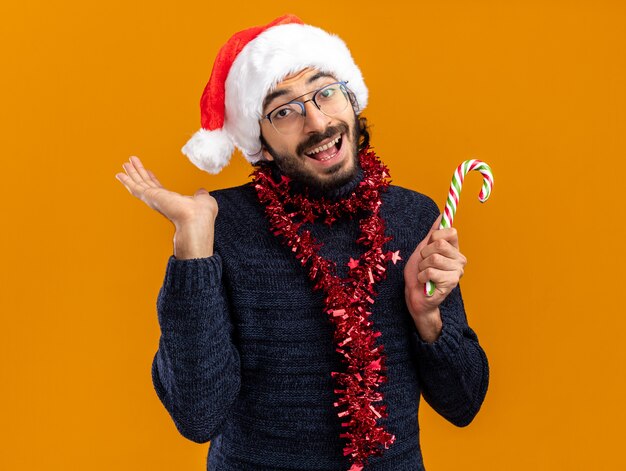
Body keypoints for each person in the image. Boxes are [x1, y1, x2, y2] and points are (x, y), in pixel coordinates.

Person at [115, 14, 489, 471]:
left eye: (326, 91)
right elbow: (197, 415)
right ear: (262, 144)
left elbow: (464, 402)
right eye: (284, 111)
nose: (316, 121)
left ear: (351, 99)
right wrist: (193, 249)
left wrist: (427, 317)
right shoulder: (220, 225)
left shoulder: (413, 217)